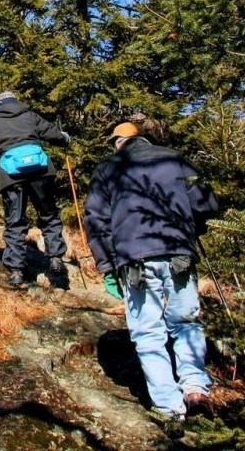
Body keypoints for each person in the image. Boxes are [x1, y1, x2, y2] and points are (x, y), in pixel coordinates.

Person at [84, 121, 219, 422]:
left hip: (133, 260)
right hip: (179, 252)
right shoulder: (174, 158)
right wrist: (193, 228)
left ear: (119, 142)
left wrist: (107, 266)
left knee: (147, 332)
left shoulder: (107, 169)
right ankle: (196, 388)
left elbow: (96, 222)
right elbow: (205, 202)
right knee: (186, 321)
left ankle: (170, 407)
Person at [0, 91, 71, 286]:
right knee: (48, 213)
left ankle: (17, 270)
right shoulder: (29, 115)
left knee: (15, 221)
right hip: (40, 170)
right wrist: (65, 138)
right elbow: (52, 133)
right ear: (15, 101)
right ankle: (56, 257)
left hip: (11, 176)